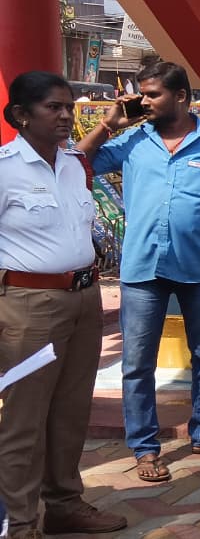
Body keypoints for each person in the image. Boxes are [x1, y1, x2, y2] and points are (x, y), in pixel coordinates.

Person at [77, 61, 200, 481]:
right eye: (143, 94)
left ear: (182, 97)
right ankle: (145, 448)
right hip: (143, 271)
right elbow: (77, 162)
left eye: (153, 94)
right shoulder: (133, 141)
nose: (144, 101)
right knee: (137, 363)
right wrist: (109, 125)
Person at [0, 71, 128, 537]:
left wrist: (109, 125)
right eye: (53, 107)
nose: (65, 116)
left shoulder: (73, 164)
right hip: (29, 306)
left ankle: (64, 504)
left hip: (84, 299)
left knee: (71, 412)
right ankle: (20, 522)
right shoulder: (5, 169)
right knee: (24, 420)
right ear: (21, 115)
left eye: (68, 107)